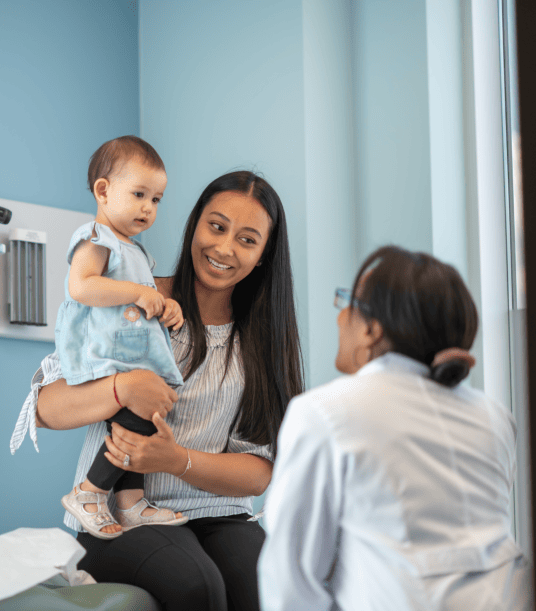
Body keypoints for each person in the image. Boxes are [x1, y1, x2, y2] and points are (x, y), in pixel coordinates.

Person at [10, 170, 304, 611]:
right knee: (196, 586)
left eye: (246, 239)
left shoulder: (262, 340)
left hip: (223, 517)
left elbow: (260, 469)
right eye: (216, 226)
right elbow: (46, 409)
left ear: (263, 254)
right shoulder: (134, 301)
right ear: (195, 225)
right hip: (120, 517)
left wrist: (176, 461)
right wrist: (121, 387)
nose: (224, 248)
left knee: (266, 585)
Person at [258, 245, 530, 611]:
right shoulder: (494, 416)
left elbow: (291, 580)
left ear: (371, 328)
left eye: (347, 303)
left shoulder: (324, 413)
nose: (340, 319)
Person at [55, 136, 186, 539]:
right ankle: (90, 491)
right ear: (103, 190)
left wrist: (166, 306)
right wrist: (139, 292)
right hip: (103, 356)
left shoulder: (138, 253)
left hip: (129, 355)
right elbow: (81, 287)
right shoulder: (97, 238)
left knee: (143, 420)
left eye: (157, 200)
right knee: (135, 419)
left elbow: (142, 308)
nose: (148, 207)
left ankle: (130, 503)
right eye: (140, 194)